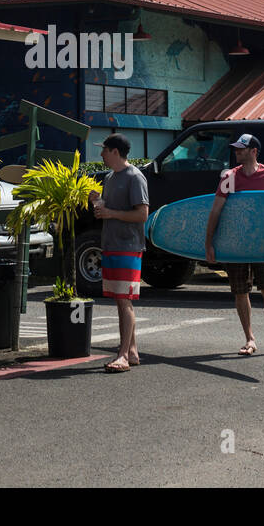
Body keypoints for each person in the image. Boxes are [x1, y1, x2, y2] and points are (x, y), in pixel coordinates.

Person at [204, 134, 264, 357]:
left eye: (241, 149)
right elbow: (215, 210)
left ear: (254, 151)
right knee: (240, 291)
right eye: (236, 149)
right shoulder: (229, 177)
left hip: (261, 243)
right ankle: (249, 339)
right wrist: (209, 243)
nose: (237, 152)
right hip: (236, 243)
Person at [90, 133, 149, 373]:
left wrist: (110, 213)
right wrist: (98, 203)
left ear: (115, 151)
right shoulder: (110, 177)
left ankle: (123, 355)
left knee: (124, 301)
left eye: (104, 150)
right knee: (120, 299)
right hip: (112, 243)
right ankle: (131, 351)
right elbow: (109, 209)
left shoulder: (135, 176)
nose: (101, 154)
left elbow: (142, 214)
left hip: (129, 246)